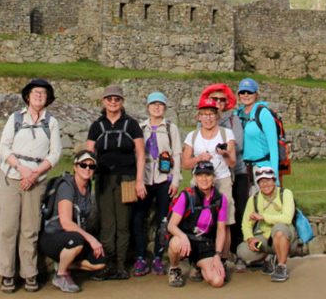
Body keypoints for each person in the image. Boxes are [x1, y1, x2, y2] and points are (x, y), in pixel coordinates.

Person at [0, 78, 62, 293]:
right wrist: (22, 169)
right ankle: (7, 272)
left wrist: (35, 173)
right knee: (7, 227)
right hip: (12, 178)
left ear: (47, 98)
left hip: (36, 180)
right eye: (35, 92)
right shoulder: (15, 119)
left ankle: (29, 272)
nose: (39, 96)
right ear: (27, 96)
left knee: (30, 229)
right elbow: (4, 148)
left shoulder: (51, 122)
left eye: (43, 93)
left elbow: (55, 153)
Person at [86, 85, 147, 280]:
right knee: (107, 223)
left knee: (123, 223)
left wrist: (139, 181)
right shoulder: (97, 126)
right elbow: (89, 155)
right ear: (103, 101)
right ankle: (108, 263)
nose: (113, 102)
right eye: (110, 99)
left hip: (127, 178)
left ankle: (121, 265)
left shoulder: (131, 125)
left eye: (117, 99)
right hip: (103, 179)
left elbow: (140, 154)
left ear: (122, 101)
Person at [39, 150, 106, 293]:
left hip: (72, 237)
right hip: (53, 235)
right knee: (77, 240)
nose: (87, 169)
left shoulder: (87, 187)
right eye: (83, 165)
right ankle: (61, 275)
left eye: (91, 166)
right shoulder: (66, 187)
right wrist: (91, 239)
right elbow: (66, 222)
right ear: (75, 167)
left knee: (100, 261)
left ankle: (65, 263)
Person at [181, 97, 236, 273]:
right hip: (200, 179)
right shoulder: (193, 136)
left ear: (217, 116)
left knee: (225, 222)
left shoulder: (227, 134)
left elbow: (233, 162)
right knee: (197, 220)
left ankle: (223, 259)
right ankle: (199, 259)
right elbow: (185, 164)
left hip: (222, 178)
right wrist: (199, 158)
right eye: (204, 114)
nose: (208, 118)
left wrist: (225, 153)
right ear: (199, 117)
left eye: (211, 114)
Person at [131, 91, 182, 276]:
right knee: (138, 218)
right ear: (148, 108)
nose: (157, 107)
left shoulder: (171, 128)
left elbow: (177, 154)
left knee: (163, 220)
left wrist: (175, 181)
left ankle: (159, 256)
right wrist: (138, 181)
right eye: (153, 104)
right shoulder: (140, 128)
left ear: (165, 108)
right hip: (144, 179)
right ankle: (140, 256)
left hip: (163, 178)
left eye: (160, 104)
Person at [199, 83, 247, 270]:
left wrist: (224, 148)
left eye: (222, 99)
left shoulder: (233, 121)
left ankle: (235, 252)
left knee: (233, 214)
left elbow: (238, 145)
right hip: (211, 174)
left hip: (234, 171)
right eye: (215, 98)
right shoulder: (205, 118)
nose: (218, 102)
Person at [166, 160, 227, 288]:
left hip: (204, 243)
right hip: (185, 240)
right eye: (200, 175)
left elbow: (221, 230)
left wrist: (217, 255)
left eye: (208, 175)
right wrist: (183, 237)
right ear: (195, 177)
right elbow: (171, 226)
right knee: (176, 242)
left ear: (213, 178)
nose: (204, 179)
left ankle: (197, 265)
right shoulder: (187, 195)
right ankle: (174, 268)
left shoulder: (221, 199)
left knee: (218, 281)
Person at [236, 166, 295, 282]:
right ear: (258, 183)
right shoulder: (254, 199)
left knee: (278, 230)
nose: (265, 184)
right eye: (261, 181)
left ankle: (281, 266)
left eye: (268, 180)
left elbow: (287, 219)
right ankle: (269, 257)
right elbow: (246, 224)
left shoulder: (285, 193)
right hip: (265, 238)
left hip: (285, 236)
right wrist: (250, 239)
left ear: (274, 180)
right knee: (242, 250)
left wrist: (263, 217)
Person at [235, 77, 280, 185]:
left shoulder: (264, 114)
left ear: (256, 94)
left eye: (249, 92)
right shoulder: (237, 114)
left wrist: (275, 177)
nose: (246, 95)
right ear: (238, 95)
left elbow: (273, 147)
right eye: (242, 92)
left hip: (263, 168)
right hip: (242, 169)